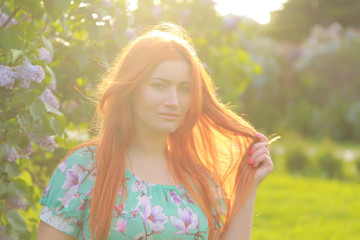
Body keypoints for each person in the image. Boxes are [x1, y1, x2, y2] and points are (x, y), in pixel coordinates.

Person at [36, 23, 275, 240]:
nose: (174, 101)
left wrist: (249, 186)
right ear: (131, 88)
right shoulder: (84, 168)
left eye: (184, 89)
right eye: (160, 86)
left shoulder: (199, 178)